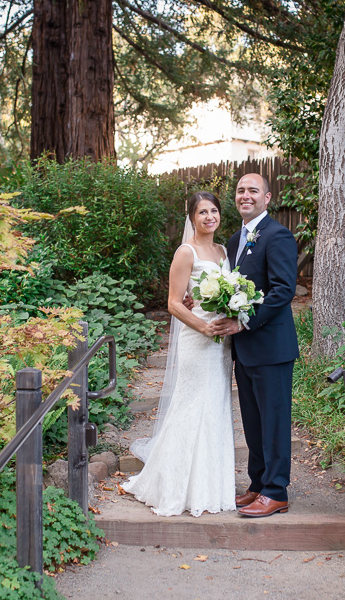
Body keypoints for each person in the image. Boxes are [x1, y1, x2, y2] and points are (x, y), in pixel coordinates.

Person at [122, 192, 237, 517]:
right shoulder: (185, 252)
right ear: (192, 217)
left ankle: (209, 486)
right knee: (190, 405)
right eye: (202, 212)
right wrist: (202, 326)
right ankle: (174, 485)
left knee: (215, 406)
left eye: (214, 210)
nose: (209, 217)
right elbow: (174, 302)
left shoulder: (223, 251)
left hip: (221, 342)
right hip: (197, 338)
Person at [210, 173, 299, 518]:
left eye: (252, 191)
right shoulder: (235, 240)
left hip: (271, 346)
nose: (245, 196)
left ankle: (276, 491)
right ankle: (258, 483)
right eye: (240, 191)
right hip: (244, 348)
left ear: (267, 197)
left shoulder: (278, 236)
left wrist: (244, 321)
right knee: (253, 421)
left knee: (274, 420)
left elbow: (282, 290)